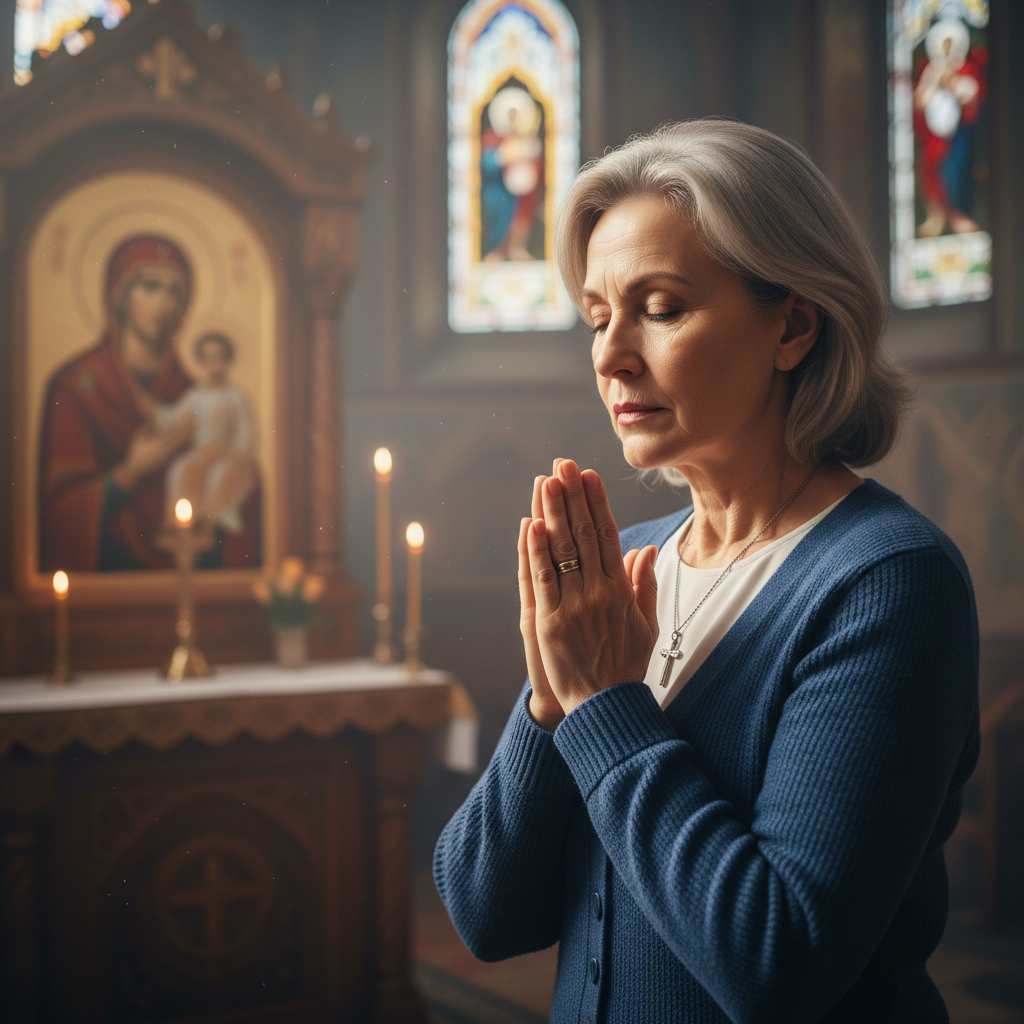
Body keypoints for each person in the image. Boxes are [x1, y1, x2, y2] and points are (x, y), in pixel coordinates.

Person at [434, 121, 980, 1024]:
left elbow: (779, 961)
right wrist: (550, 701)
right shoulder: (625, 569)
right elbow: (484, 917)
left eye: (661, 307)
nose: (610, 356)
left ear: (793, 327)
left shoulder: (887, 582)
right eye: (599, 316)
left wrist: (605, 704)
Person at [37, 235, 261, 571]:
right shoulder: (76, 387)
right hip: (109, 577)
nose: (164, 303)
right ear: (119, 296)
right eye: (150, 286)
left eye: (175, 292)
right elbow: (59, 511)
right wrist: (130, 473)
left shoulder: (193, 391)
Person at [148, 332, 258, 535]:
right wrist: (154, 410)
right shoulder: (196, 395)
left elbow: (245, 430)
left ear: (227, 360)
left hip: (228, 453)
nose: (214, 364)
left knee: (219, 475)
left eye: (219, 358)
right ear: (201, 362)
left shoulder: (236, 396)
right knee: (180, 470)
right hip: (202, 452)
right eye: (208, 359)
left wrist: (239, 452)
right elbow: (175, 417)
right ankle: (182, 525)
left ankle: (216, 523)